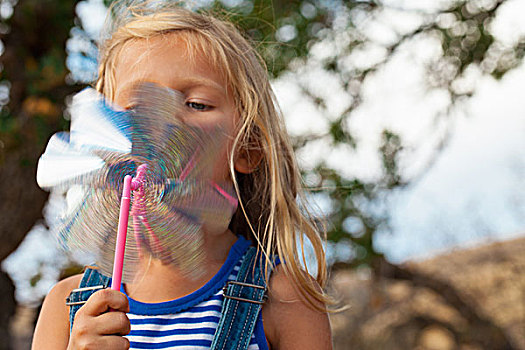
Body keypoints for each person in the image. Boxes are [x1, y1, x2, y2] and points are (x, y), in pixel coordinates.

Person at [32, 1, 332, 349]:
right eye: (136, 106)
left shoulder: (283, 298)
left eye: (196, 104)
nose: (163, 123)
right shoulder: (67, 305)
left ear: (248, 149)